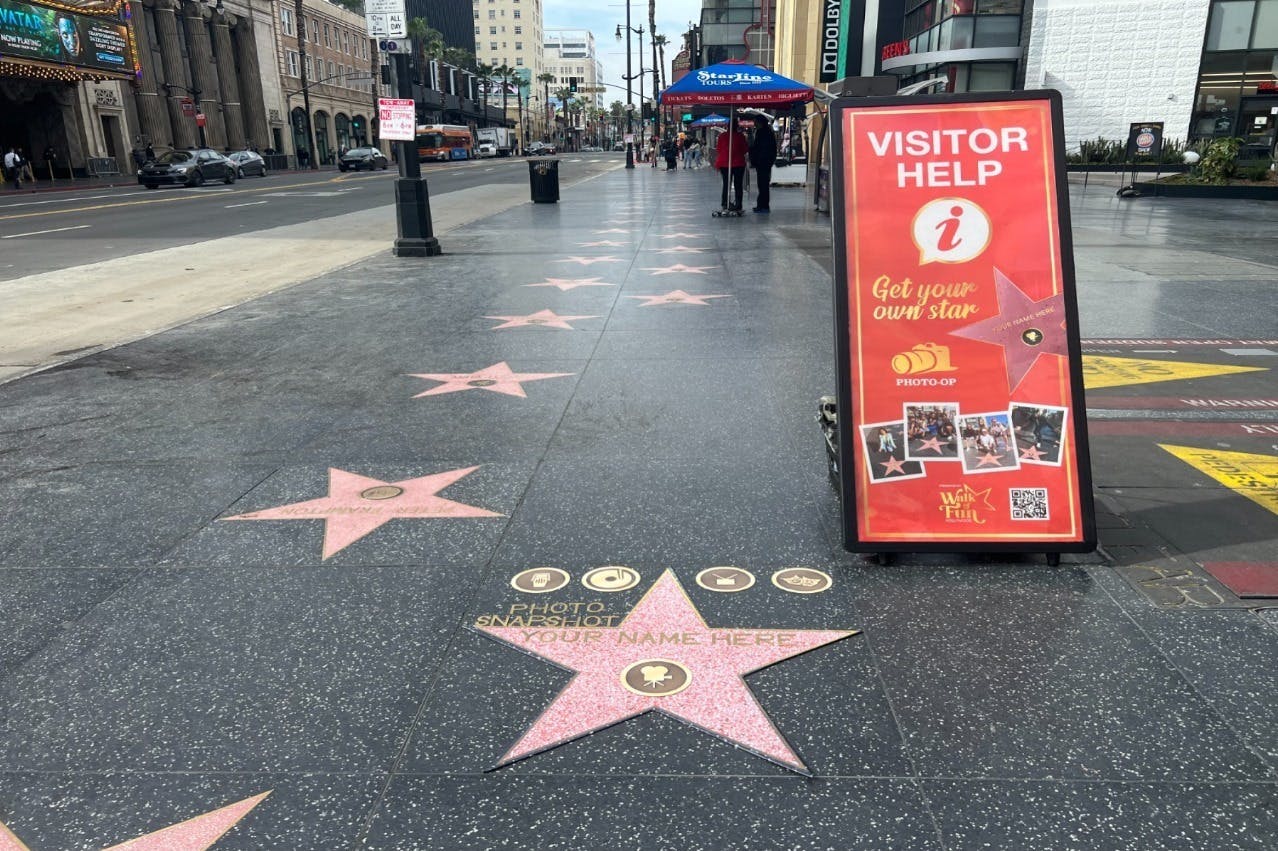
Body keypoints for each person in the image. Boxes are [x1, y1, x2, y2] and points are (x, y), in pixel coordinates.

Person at [714, 119, 748, 212]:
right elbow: (745, 149)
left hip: (724, 163)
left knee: (726, 184)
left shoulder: (722, 136)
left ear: (728, 126)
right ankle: (738, 204)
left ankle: (725, 203)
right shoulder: (740, 136)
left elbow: (719, 149)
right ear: (737, 126)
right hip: (738, 163)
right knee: (738, 185)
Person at [748, 116, 777, 213]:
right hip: (765, 162)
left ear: (760, 122)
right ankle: (761, 205)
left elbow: (759, 148)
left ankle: (763, 206)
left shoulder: (762, 133)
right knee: (762, 184)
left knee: (763, 184)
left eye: (755, 122)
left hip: (763, 162)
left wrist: (755, 157)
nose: (754, 124)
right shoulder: (768, 132)